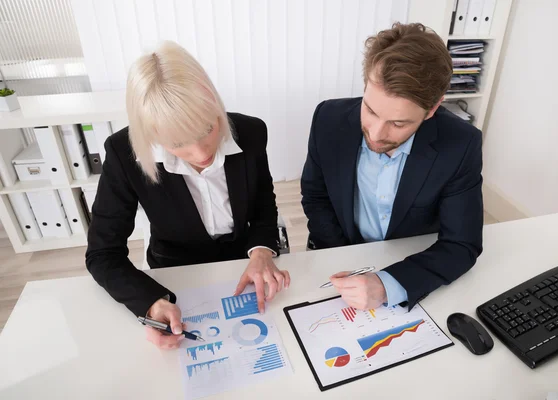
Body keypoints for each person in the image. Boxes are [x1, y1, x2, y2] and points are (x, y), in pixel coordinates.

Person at [86, 41, 290, 350]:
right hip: (176, 274)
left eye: (207, 128)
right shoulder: (123, 154)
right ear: (151, 134)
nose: (202, 152)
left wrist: (262, 250)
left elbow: (263, 200)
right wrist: (150, 304)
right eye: (178, 143)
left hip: (243, 265)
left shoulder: (251, 132)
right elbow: (102, 255)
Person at [301, 22, 483, 312]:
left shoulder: (461, 144)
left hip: (413, 261)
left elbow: (462, 244)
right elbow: (315, 195)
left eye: (398, 123)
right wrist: (344, 258)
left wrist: (388, 284)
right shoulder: (328, 118)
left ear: (432, 109)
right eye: (370, 110)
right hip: (338, 257)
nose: (375, 134)